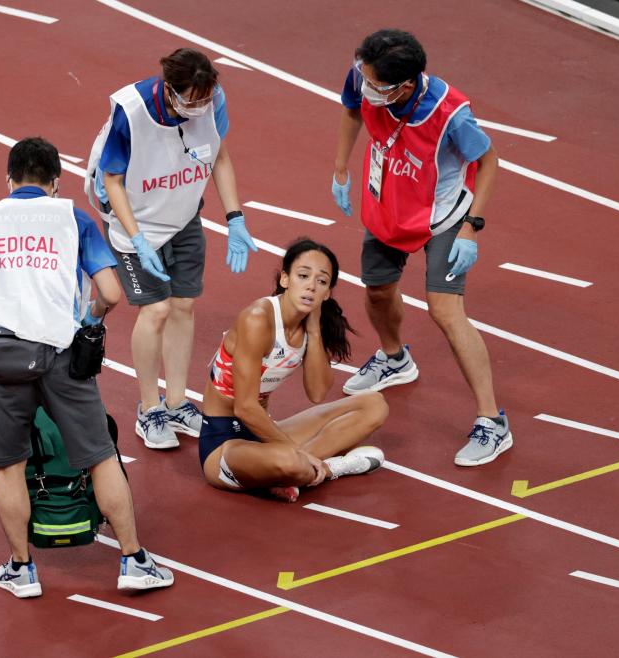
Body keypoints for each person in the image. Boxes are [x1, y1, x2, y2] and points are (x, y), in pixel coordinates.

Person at [0, 137, 173, 598]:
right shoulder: (72, 217)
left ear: (8, 180)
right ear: (55, 182)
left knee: (9, 465)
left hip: (3, 357)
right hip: (63, 355)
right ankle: (133, 560)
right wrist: (88, 322)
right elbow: (109, 292)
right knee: (99, 456)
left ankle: (22, 570)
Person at [330, 29, 512, 467]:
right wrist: (340, 168)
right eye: (365, 77)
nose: (365, 85)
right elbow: (353, 110)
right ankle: (395, 360)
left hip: (442, 216)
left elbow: (488, 161)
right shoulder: (365, 78)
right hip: (389, 202)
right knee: (376, 290)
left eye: (376, 84)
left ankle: (492, 422)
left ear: (405, 86)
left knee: (445, 310)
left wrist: (472, 227)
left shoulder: (450, 114)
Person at [85, 48, 258, 451]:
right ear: (169, 90)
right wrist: (138, 238)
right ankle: (150, 409)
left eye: (206, 98)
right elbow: (112, 180)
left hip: (182, 214)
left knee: (182, 306)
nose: (200, 107)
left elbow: (220, 157)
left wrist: (235, 218)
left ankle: (178, 402)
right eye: (192, 100)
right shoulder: (133, 111)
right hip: (134, 220)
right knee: (157, 308)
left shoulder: (213, 100)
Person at [199, 238, 389, 502]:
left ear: (327, 294)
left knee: (374, 404)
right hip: (224, 443)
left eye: (322, 282)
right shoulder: (258, 318)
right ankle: (330, 467)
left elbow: (318, 392)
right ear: (285, 279)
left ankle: (296, 473)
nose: (311, 285)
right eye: (303, 276)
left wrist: (313, 330)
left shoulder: (309, 325)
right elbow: (245, 408)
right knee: (289, 459)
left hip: (264, 433)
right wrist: (298, 453)